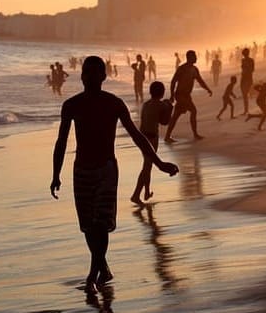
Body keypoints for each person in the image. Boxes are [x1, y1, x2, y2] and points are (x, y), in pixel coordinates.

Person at [51, 56, 179, 293]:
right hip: (81, 171)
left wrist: (159, 163)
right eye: (86, 73)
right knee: (88, 226)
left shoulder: (114, 104)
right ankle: (103, 267)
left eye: (94, 72)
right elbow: (61, 141)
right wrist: (55, 174)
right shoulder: (71, 105)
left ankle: (92, 273)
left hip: (106, 170)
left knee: (101, 223)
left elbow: (138, 137)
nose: (89, 77)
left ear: (103, 76)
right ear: (82, 76)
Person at [131, 81, 170, 205]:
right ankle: (136, 195)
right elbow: (165, 122)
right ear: (162, 92)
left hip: (142, 137)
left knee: (147, 165)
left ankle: (146, 191)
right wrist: (170, 108)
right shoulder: (161, 105)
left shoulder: (146, 104)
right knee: (147, 166)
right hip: (152, 138)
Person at [165, 50, 213, 143]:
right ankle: (195, 134)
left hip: (187, 95)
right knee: (193, 111)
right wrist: (171, 94)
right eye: (194, 56)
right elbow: (173, 81)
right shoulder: (182, 68)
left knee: (176, 115)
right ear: (189, 58)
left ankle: (168, 136)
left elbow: (200, 81)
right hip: (180, 95)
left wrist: (207, 89)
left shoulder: (195, 69)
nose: (196, 58)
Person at [239, 47, 255, 115]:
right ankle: (246, 110)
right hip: (245, 78)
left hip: (247, 78)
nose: (244, 55)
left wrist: (246, 70)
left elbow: (252, 69)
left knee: (246, 94)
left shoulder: (250, 60)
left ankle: (246, 110)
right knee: (245, 95)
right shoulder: (243, 60)